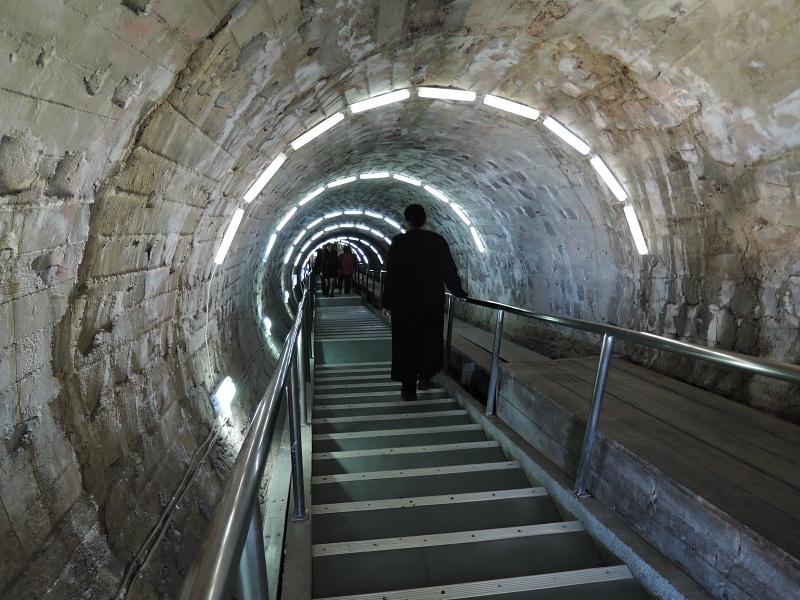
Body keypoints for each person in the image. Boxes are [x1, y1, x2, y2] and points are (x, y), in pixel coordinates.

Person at [382, 204, 467, 401]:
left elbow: (392, 275)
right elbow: (448, 270)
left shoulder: (398, 243)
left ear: (407, 221)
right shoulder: (437, 241)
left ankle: (408, 388)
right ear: (425, 219)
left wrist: (387, 302)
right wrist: (459, 292)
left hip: (404, 305)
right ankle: (426, 376)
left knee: (406, 344)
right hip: (431, 303)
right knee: (429, 340)